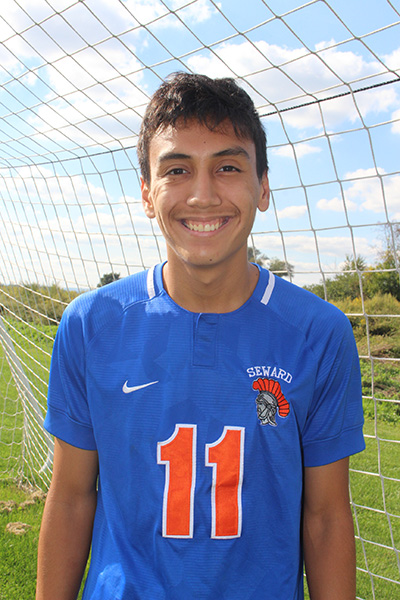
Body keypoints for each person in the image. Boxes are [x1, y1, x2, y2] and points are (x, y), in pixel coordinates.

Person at [36, 72, 365, 600]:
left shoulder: (318, 334)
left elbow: (325, 516)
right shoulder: (89, 325)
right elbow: (72, 496)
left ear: (262, 187)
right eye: (177, 169)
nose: (203, 194)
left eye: (228, 167)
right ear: (147, 193)